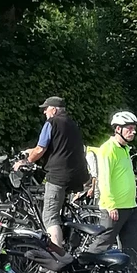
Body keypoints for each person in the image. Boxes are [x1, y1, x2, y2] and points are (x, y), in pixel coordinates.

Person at [18, 97, 89, 248]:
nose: (44, 112)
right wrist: (27, 152)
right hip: (77, 175)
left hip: (59, 176)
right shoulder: (72, 124)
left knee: (50, 217)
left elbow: (40, 149)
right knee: (60, 214)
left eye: (46, 108)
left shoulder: (51, 123)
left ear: (54, 110)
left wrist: (25, 162)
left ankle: (58, 257)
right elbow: (57, 148)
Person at [90, 111, 137, 270]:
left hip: (130, 206)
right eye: (129, 128)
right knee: (102, 243)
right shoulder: (108, 149)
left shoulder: (125, 149)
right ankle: (83, 270)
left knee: (134, 248)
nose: (133, 132)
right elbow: (104, 179)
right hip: (114, 208)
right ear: (118, 129)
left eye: (134, 129)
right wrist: (110, 204)